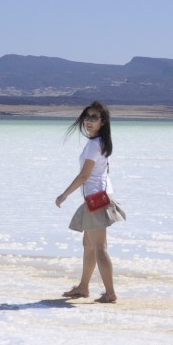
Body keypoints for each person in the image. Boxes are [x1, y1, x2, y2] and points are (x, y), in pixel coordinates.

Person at [55, 101, 123, 303]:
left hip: (95, 201)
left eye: (94, 118)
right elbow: (103, 173)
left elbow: (84, 176)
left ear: (103, 122)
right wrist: (107, 194)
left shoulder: (94, 145)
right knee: (88, 244)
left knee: (99, 247)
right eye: (87, 117)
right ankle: (83, 287)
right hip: (98, 198)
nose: (89, 121)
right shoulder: (100, 142)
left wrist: (64, 195)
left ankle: (110, 293)